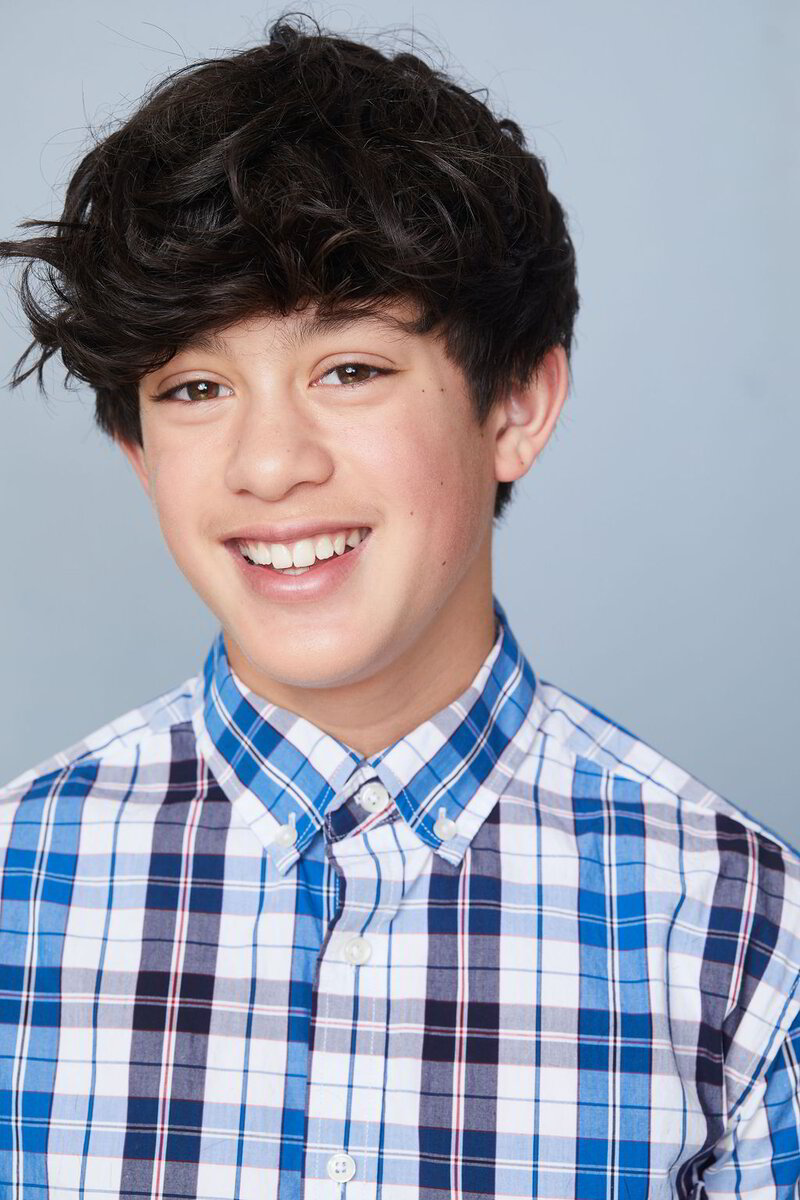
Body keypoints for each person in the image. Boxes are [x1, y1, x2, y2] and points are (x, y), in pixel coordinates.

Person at [1, 12, 798, 1198]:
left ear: (515, 406)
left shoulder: (745, 934)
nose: (269, 464)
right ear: (137, 452)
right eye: (197, 387)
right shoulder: (14, 888)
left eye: (349, 369)